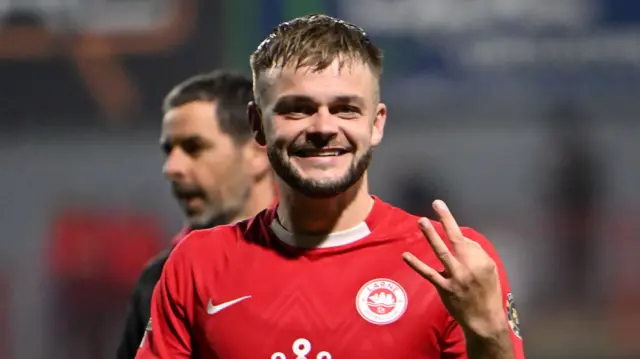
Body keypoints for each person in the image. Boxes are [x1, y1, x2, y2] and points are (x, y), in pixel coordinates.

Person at [136, 15, 526, 359]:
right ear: (256, 125)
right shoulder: (197, 263)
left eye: (345, 109)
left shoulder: (452, 263)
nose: (323, 128)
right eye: (297, 109)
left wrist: (489, 334)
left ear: (376, 124)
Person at [117, 70, 275, 359]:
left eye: (194, 148)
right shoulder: (157, 282)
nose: (172, 167)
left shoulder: (329, 262)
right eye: (169, 150)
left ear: (258, 153)